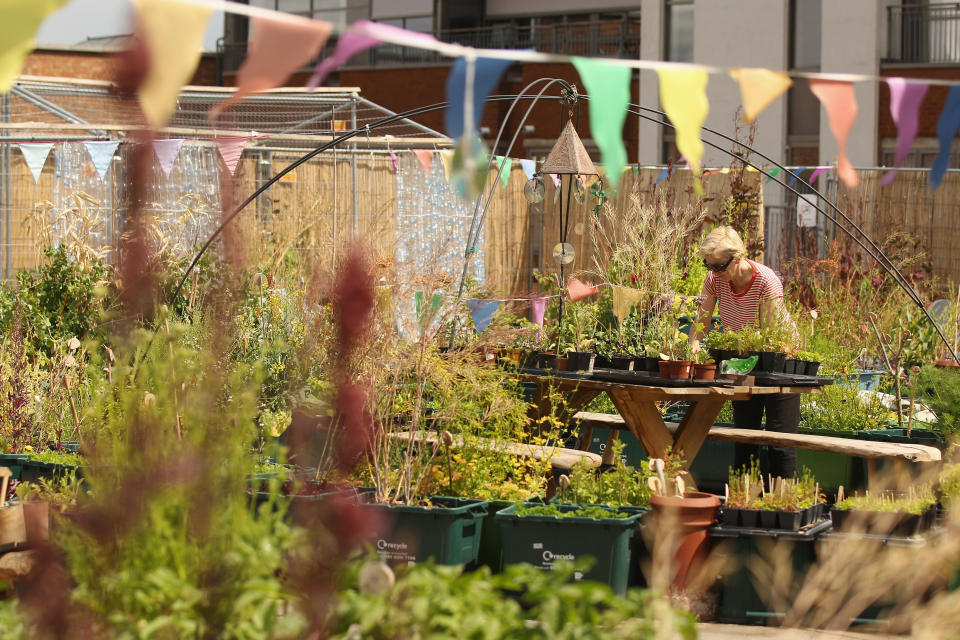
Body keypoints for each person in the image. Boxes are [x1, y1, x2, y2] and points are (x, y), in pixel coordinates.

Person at [688, 226, 799, 478]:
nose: (715, 272)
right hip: (743, 360)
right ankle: (744, 503)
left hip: (779, 360)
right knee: (744, 435)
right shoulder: (715, 280)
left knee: (778, 439)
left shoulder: (766, 281)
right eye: (709, 266)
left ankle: (783, 504)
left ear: (738, 257)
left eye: (719, 266)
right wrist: (693, 348)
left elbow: (770, 337)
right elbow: (702, 320)